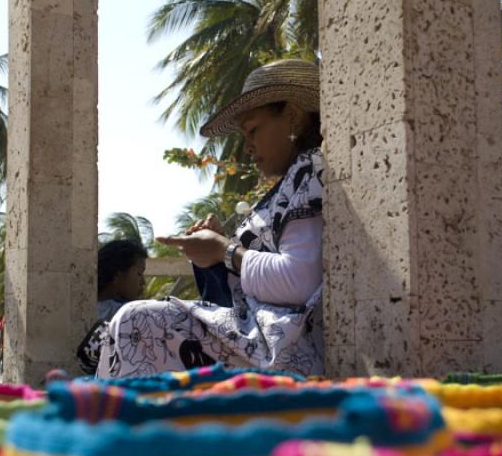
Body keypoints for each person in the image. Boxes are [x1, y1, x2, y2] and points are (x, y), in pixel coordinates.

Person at [96, 59, 325, 379]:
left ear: (292, 117)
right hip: (263, 336)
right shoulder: (295, 179)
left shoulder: (310, 170)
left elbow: (300, 280)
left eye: (253, 130)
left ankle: (109, 421)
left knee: (135, 321)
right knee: (133, 321)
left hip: (283, 346)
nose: (248, 147)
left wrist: (224, 251)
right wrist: (219, 254)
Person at [76, 239, 148, 374]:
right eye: (139, 273)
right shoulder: (127, 313)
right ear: (117, 275)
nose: (143, 282)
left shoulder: (84, 308)